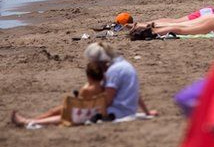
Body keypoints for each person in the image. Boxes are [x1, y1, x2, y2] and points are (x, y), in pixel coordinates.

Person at [11, 42, 156, 126]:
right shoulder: (124, 65)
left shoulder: (114, 71)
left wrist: (86, 101)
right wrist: (147, 112)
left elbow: (107, 100)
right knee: (67, 107)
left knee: (70, 112)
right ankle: (33, 120)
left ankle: (31, 122)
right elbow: (136, 93)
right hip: (125, 110)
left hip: (116, 113)